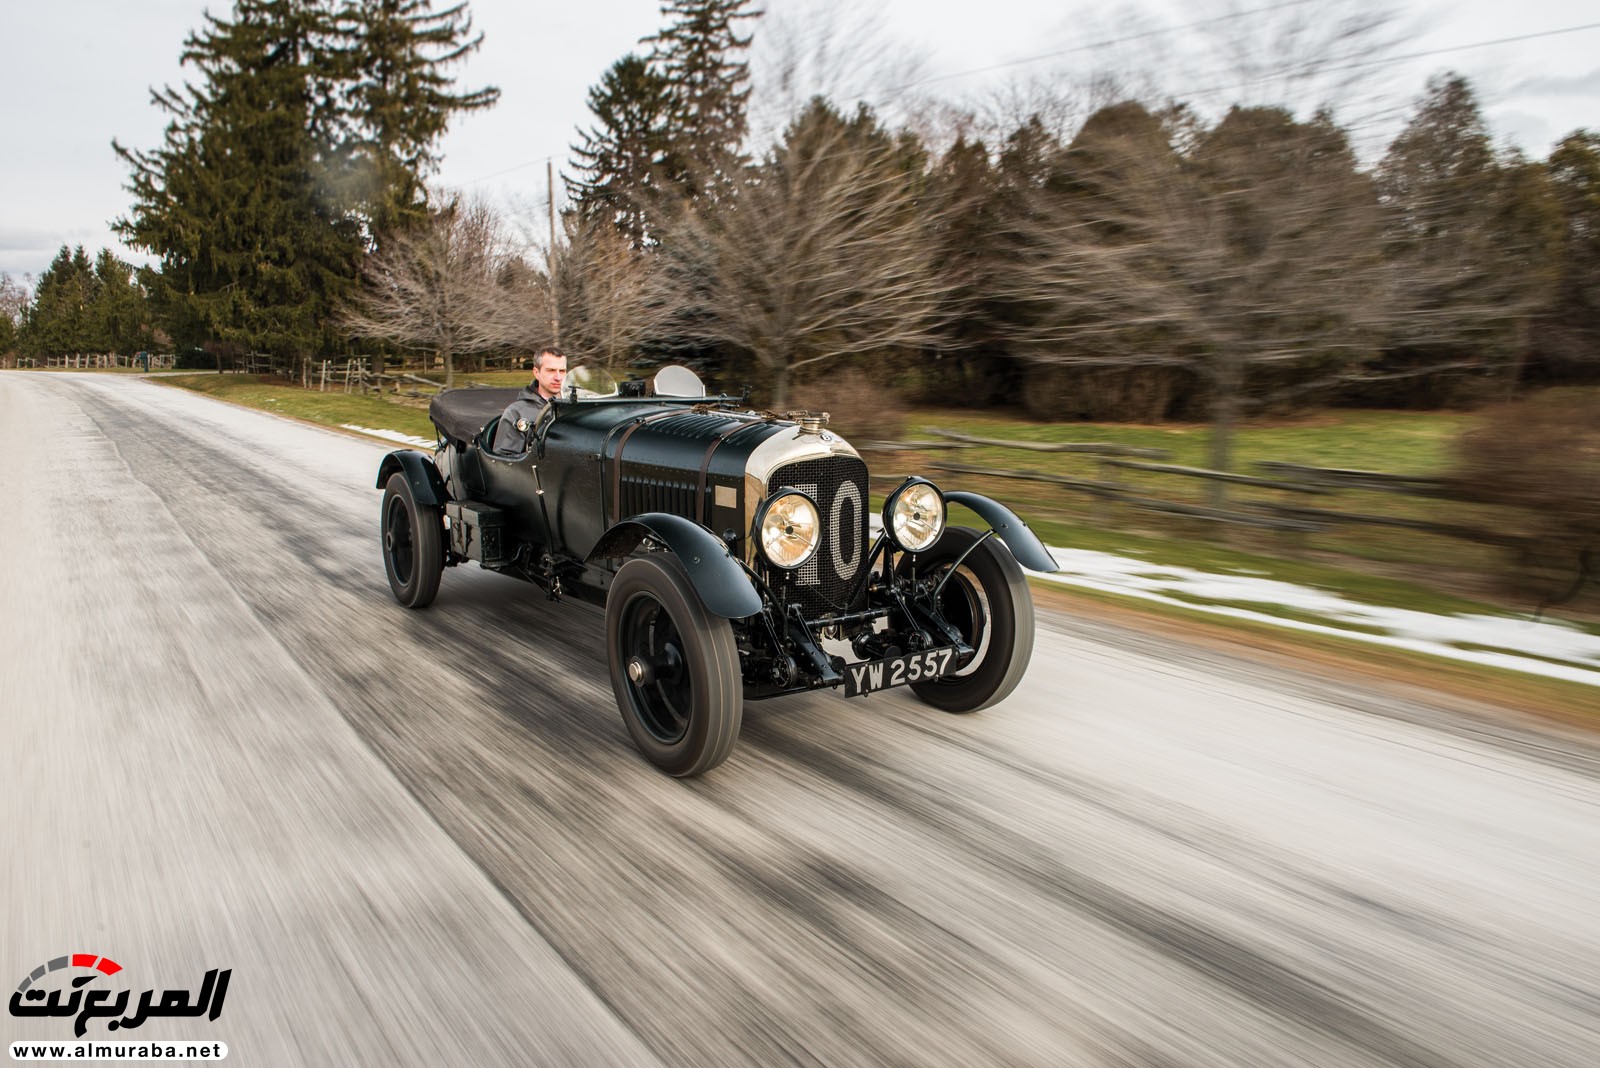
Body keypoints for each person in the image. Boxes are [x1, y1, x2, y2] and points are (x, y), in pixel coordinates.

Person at [494, 347, 567, 454]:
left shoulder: (580, 405)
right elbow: (505, 459)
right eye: (551, 370)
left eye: (562, 371)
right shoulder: (516, 412)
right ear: (536, 372)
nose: (558, 377)